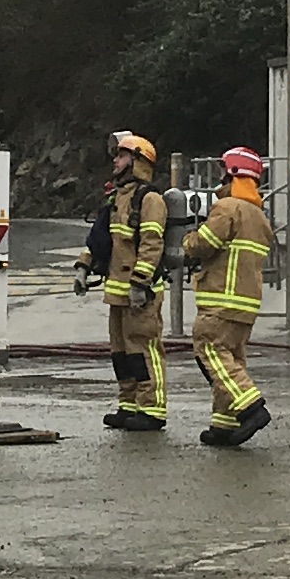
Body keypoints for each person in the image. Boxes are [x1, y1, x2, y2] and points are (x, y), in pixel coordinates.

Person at [178, 145, 278, 446]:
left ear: (233, 175)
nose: (220, 179)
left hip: (221, 299)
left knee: (209, 349)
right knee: (231, 358)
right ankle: (224, 423)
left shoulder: (228, 208)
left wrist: (186, 242)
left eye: (224, 172)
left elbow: (204, 244)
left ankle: (251, 408)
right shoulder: (259, 217)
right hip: (245, 304)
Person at [94, 130, 171, 432]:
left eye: (122, 155)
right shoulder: (117, 198)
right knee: (121, 353)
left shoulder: (149, 199)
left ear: (137, 161)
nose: (116, 160)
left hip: (140, 292)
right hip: (117, 292)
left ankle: (153, 409)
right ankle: (129, 405)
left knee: (144, 349)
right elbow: (104, 240)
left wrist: (141, 283)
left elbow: (152, 243)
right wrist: (85, 265)